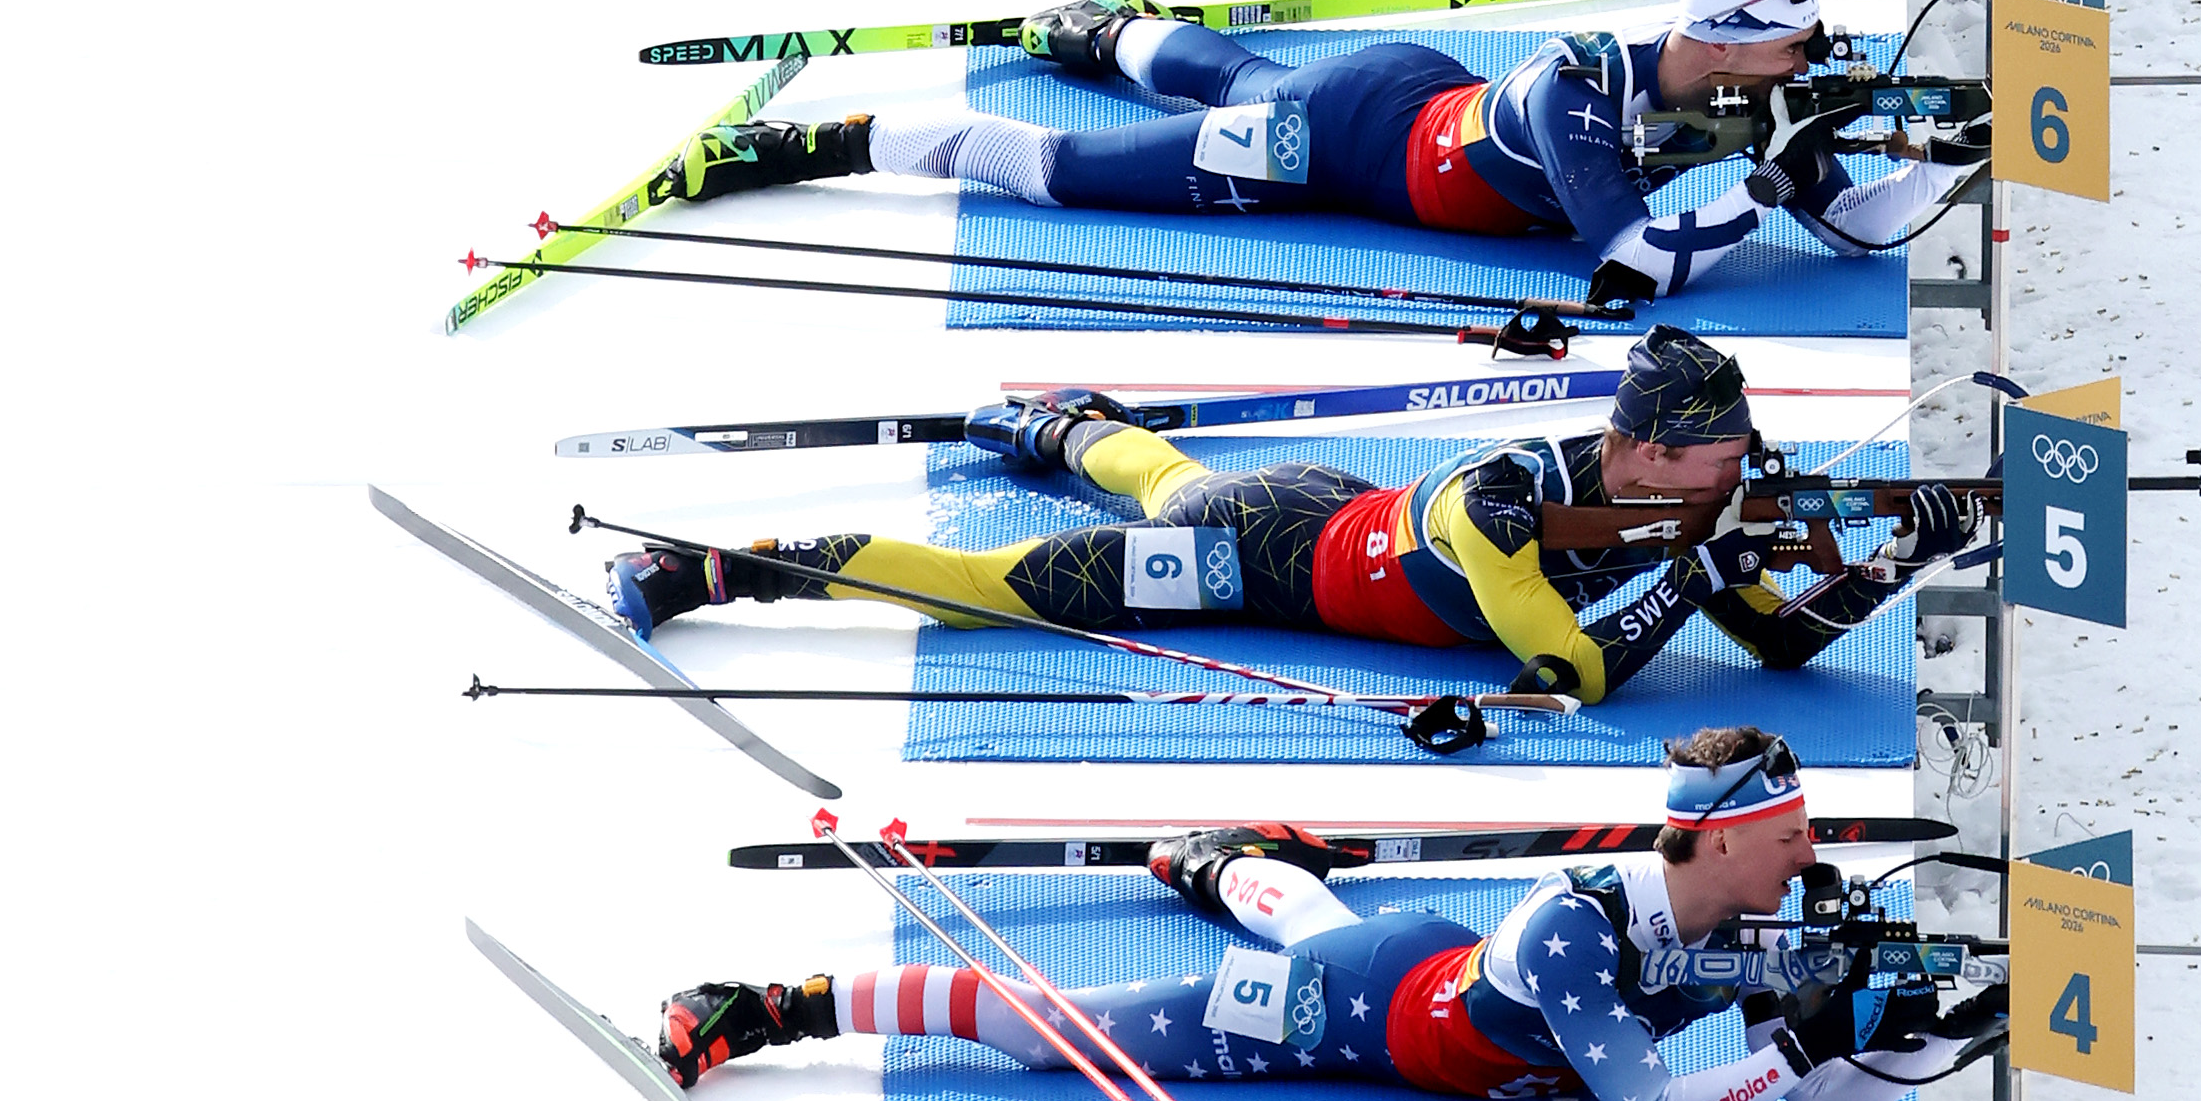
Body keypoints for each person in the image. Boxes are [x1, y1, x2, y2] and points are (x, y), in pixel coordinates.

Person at [652, 727, 2003, 1101]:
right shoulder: (1578, 935)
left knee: (1311, 909)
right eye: (1789, 835)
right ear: (1715, 842)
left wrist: (1934, 1033)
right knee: (1070, 1032)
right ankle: (781, 1002)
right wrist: (1801, 1037)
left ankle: (1221, 861)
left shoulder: (1765, 916)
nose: (1813, 856)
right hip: (1352, 1011)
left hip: (1423, 952)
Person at [611, 319, 1982, 704]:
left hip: (1329, 502)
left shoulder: (1691, 497)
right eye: (1720, 456)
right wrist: (1695, 569)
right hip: (1258, 560)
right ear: (1639, 449)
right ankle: (718, 566)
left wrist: (1907, 554)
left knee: (1166, 475)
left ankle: (1062, 425)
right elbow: (1563, 669)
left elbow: (1783, 643)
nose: (1744, 471)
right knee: (999, 586)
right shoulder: (1509, 498)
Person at [621, 0, 1972, 302]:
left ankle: (1104, 26)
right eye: (1796, 38)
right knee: (1072, 169)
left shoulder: (1753, 84)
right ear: (1727, 40)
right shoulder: (1579, 91)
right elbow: (1628, 264)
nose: (1814, 55)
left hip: (1399, 91)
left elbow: (1852, 214)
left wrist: (1944, 158)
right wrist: (1763, 183)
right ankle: (820, 142)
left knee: (1235, 73)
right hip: (1336, 144)